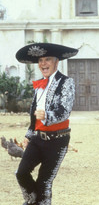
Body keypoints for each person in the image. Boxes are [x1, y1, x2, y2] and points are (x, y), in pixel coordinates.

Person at [15, 43, 78, 205]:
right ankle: (32, 201)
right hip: (37, 138)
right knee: (21, 173)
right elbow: (33, 115)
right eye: (41, 60)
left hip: (58, 140)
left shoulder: (66, 82)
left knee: (44, 182)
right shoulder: (39, 85)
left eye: (47, 59)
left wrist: (47, 116)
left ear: (56, 62)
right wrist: (29, 135)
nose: (43, 63)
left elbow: (64, 111)